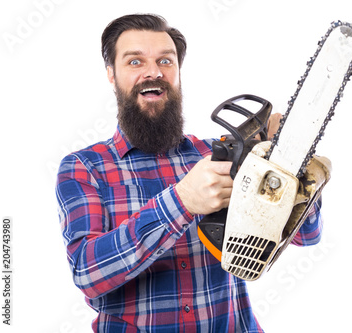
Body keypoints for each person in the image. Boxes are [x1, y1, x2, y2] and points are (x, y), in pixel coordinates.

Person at [56, 13, 323, 332]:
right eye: (135, 62)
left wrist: (289, 166)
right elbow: (88, 274)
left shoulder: (216, 155)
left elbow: (307, 235)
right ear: (111, 74)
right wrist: (182, 201)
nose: (153, 72)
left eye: (166, 61)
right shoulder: (84, 167)